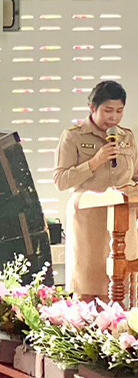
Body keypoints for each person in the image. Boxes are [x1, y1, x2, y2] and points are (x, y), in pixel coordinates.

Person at [54, 79, 137, 298]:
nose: (114, 117)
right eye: (108, 110)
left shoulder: (127, 136)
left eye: (119, 111)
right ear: (92, 107)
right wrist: (95, 162)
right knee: (88, 288)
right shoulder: (73, 136)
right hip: (89, 221)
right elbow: (61, 180)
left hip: (122, 222)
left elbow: (135, 176)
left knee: (121, 289)